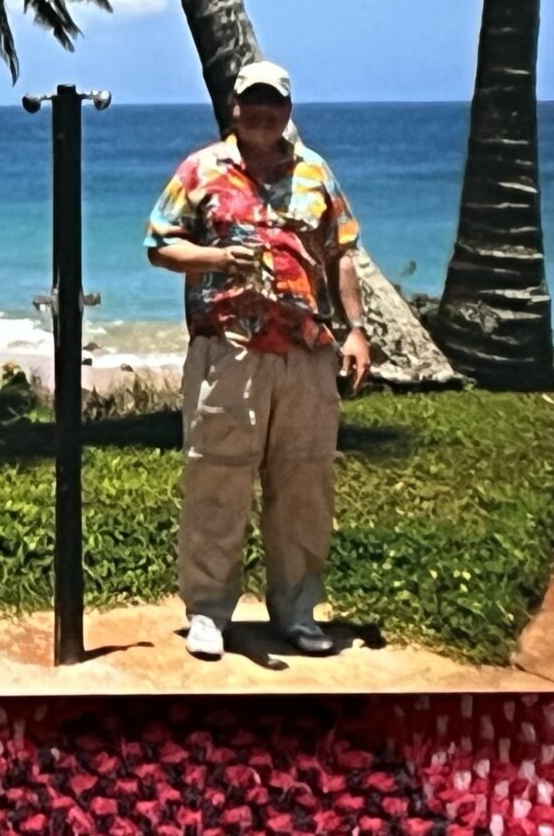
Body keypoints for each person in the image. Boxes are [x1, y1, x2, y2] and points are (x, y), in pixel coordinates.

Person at [145, 59, 371, 660]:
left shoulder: (315, 172)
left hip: (306, 353)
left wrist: (356, 331)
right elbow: (159, 245)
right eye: (253, 101)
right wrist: (218, 259)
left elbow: (341, 254)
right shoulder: (201, 169)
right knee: (216, 478)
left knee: (304, 484)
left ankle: (296, 611)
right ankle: (208, 612)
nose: (263, 112)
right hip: (229, 350)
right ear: (236, 107)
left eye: (274, 101)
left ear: (287, 109)